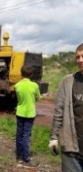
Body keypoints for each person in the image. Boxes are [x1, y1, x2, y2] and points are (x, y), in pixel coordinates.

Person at [49, 43, 83, 171]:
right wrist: (53, 137)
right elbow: (59, 111)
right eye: (77, 57)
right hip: (71, 151)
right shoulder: (68, 81)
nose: (80, 60)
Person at [15, 64, 40, 168]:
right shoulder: (34, 86)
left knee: (19, 134)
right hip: (30, 113)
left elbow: (18, 99)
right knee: (26, 136)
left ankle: (19, 157)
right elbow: (38, 98)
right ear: (31, 74)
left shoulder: (17, 85)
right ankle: (26, 159)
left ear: (21, 73)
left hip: (19, 112)